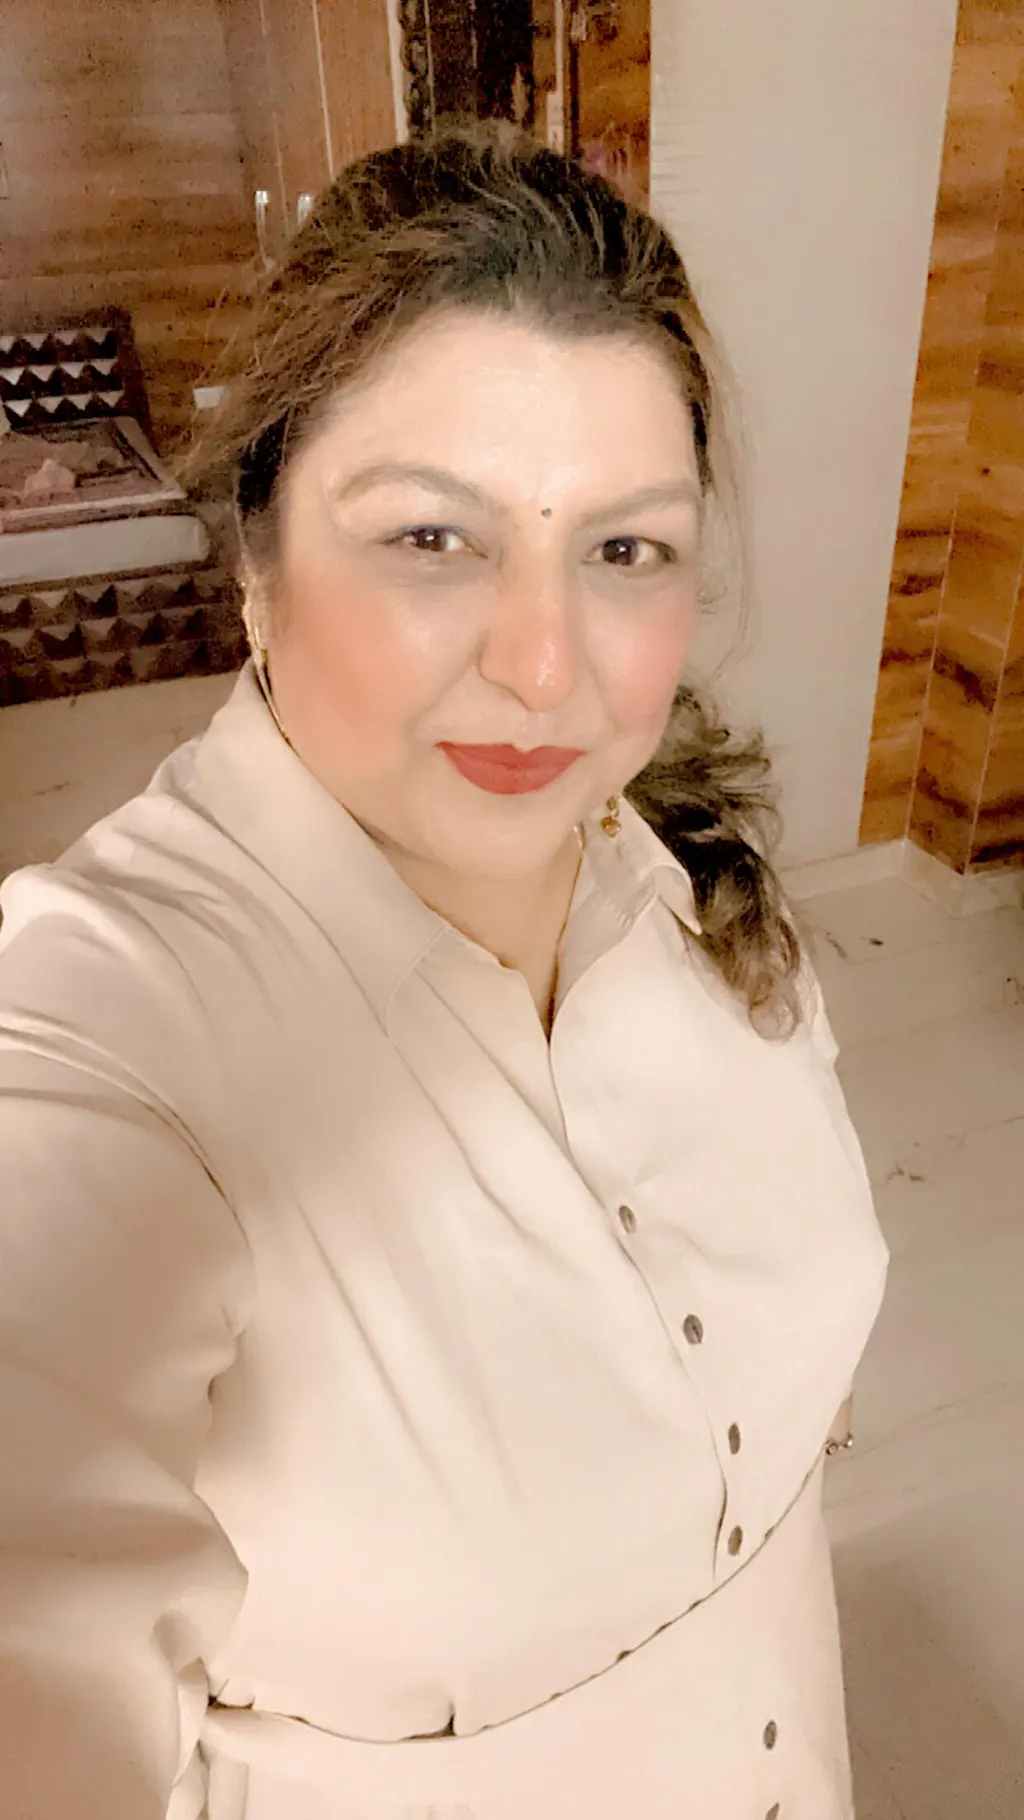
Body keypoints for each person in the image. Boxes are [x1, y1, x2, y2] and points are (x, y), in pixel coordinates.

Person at [0, 126, 887, 1820]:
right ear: (256, 560)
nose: (546, 666)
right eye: (429, 539)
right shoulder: (104, 1029)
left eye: (622, 550)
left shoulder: (685, 879)